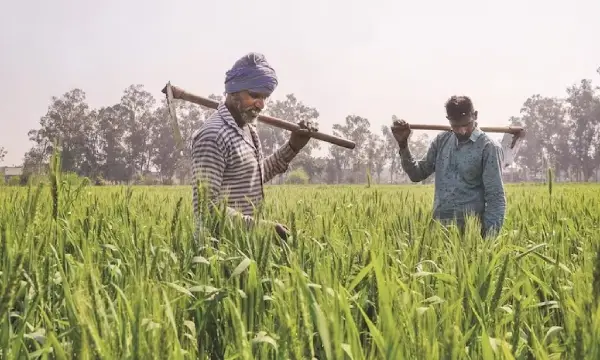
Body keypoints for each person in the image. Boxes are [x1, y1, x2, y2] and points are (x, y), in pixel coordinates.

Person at [191, 52, 317, 241]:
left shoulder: (246, 128)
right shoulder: (213, 136)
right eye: (254, 95)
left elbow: (254, 176)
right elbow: (206, 208)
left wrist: (293, 147)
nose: (261, 104)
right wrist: (262, 228)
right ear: (233, 92)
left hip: (245, 244)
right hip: (218, 251)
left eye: (265, 97)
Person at [391, 95, 506, 238]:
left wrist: (489, 241)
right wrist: (403, 144)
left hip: (471, 234)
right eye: (456, 126)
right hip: (439, 231)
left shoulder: (488, 148)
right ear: (449, 120)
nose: (462, 131)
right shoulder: (441, 141)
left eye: (466, 124)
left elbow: (496, 197)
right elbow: (416, 174)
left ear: (475, 116)